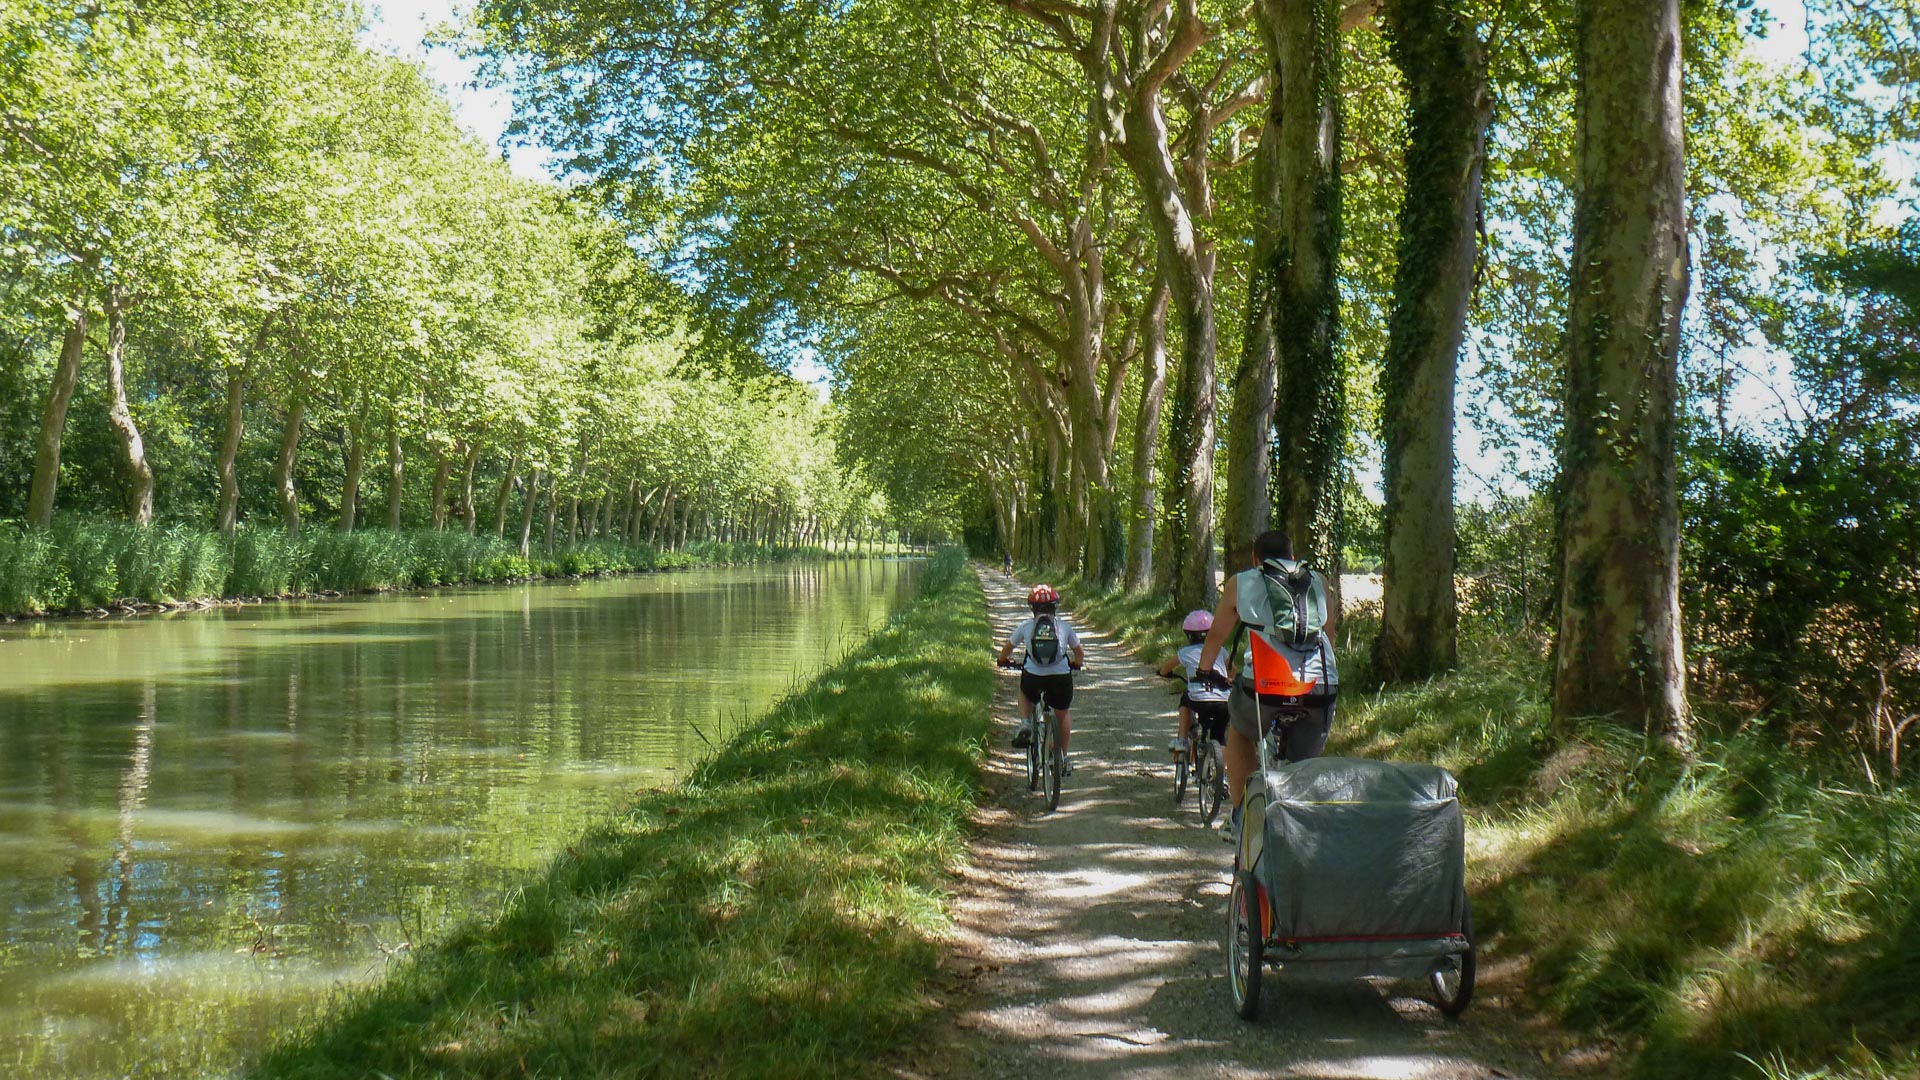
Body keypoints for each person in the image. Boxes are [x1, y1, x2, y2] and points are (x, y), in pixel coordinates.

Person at [1196, 530, 1339, 841]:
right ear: (1292, 556)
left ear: (1255, 559)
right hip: (1320, 686)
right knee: (1305, 764)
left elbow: (1217, 635)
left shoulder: (1241, 582)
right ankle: (1302, 830)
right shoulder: (1319, 581)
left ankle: (1242, 816)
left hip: (1265, 685)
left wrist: (1205, 669)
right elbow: (1329, 635)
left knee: (1241, 733)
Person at [998, 584, 1086, 773]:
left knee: (1024, 691)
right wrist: (1076, 664)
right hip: (1061, 677)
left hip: (1033, 677)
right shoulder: (1064, 626)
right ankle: (1061, 757)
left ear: (1032, 608)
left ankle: (1026, 723)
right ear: (1055, 606)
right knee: (1062, 715)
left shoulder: (1026, 626)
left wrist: (1002, 660)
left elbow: (1007, 648)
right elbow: (1079, 652)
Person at [1158, 610, 1232, 758]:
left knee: (1185, 699)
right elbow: (1232, 669)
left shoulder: (1185, 652)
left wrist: (1163, 673)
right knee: (1219, 737)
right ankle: (1220, 775)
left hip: (1199, 700)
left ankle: (1183, 739)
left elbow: (1166, 668)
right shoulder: (1221, 650)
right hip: (1224, 701)